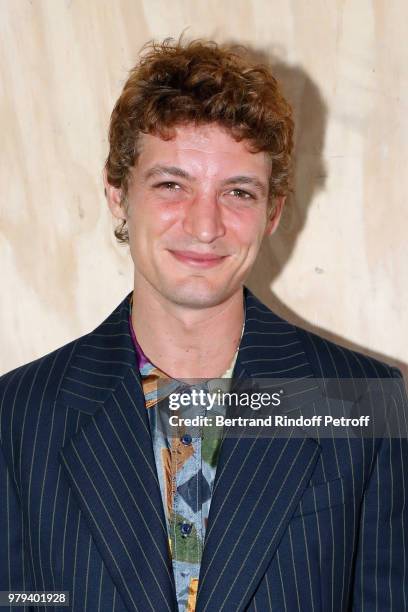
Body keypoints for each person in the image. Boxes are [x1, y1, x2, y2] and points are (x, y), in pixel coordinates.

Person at [0, 38, 407, 612]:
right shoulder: (18, 414)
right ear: (118, 193)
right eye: (172, 184)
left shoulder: (364, 402)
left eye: (238, 192)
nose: (205, 224)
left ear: (272, 213)